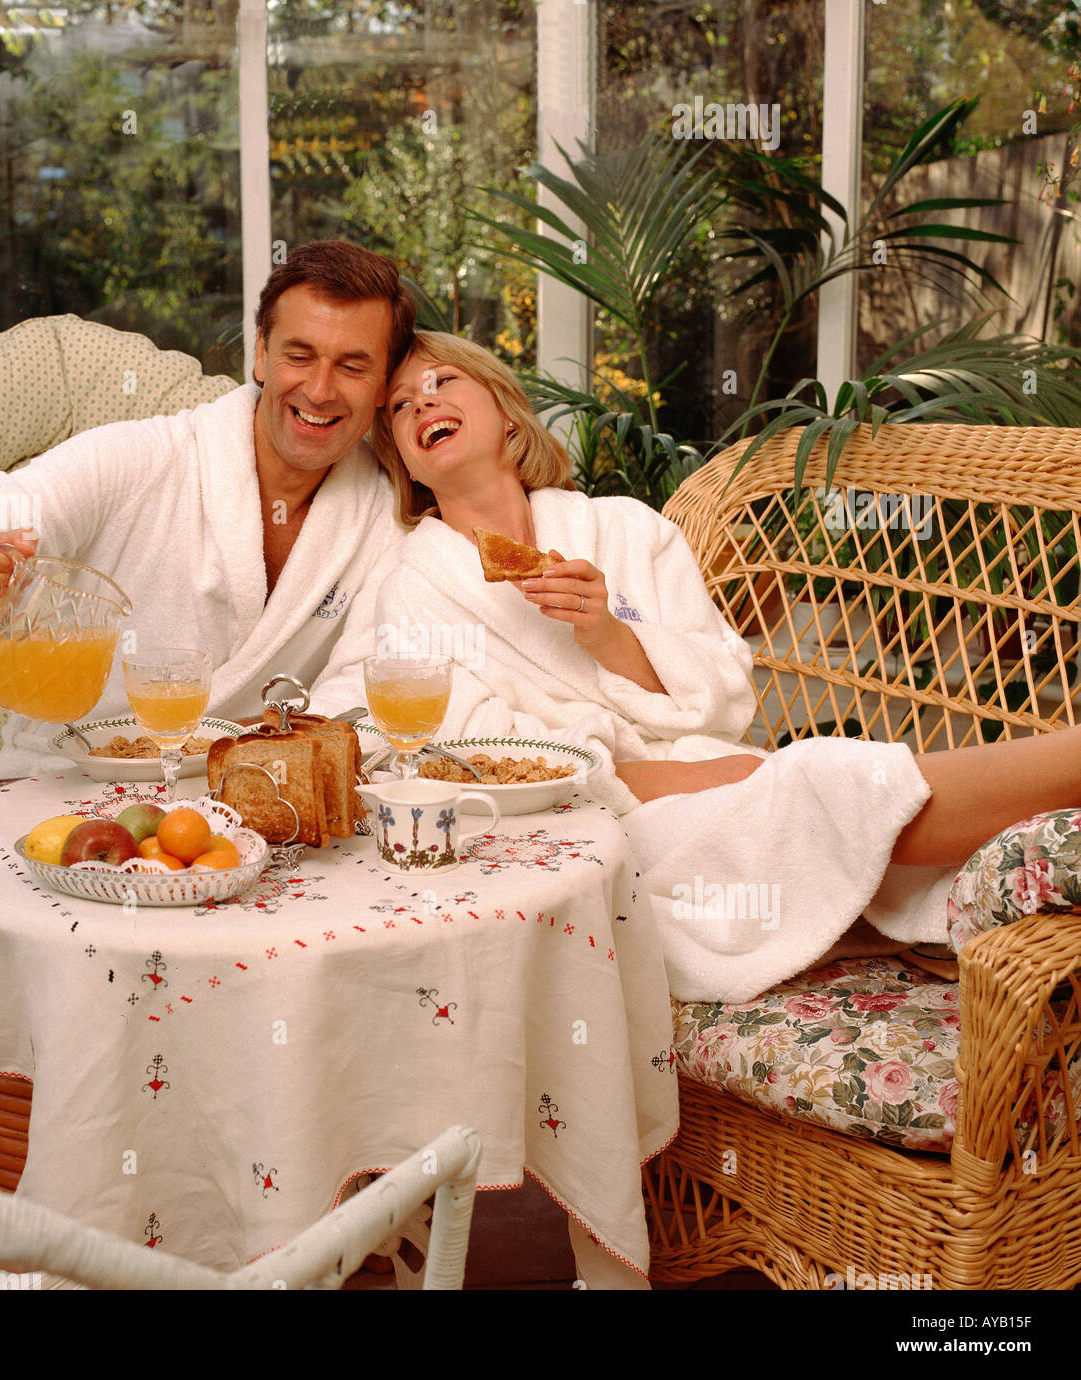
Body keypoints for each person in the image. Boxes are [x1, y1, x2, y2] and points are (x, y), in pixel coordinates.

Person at [310, 331, 1081, 1002]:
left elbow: (723, 694)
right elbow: (472, 754)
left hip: (712, 768)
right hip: (596, 827)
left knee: (803, 785)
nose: (422, 403)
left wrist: (608, 634)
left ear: (507, 414)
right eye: (401, 407)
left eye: (443, 383)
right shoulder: (416, 580)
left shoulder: (624, 530)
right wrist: (665, 779)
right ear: (404, 463)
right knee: (809, 781)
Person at [0, 241, 414, 775]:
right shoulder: (138, 459)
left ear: (384, 384)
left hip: (243, 793)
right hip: (63, 781)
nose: (320, 389)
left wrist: (272, 770)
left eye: (352, 366)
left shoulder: (384, 518)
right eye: (299, 356)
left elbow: (365, 681)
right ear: (260, 353)